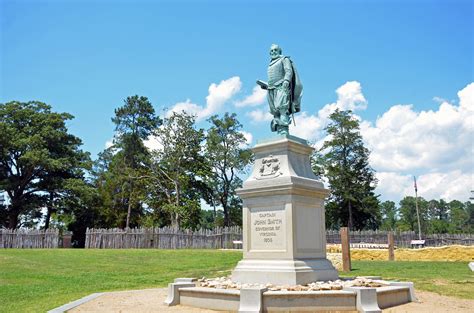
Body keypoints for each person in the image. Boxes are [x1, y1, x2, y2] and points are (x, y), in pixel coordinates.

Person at [258, 44, 302, 135]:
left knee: (282, 107)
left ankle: (284, 131)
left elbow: (288, 71)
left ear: (279, 51)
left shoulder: (284, 59)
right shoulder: (270, 64)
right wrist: (266, 86)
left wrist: (286, 80)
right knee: (275, 111)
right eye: (271, 51)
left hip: (281, 87)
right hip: (271, 89)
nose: (273, 52)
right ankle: (279, 130)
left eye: (275, 50)